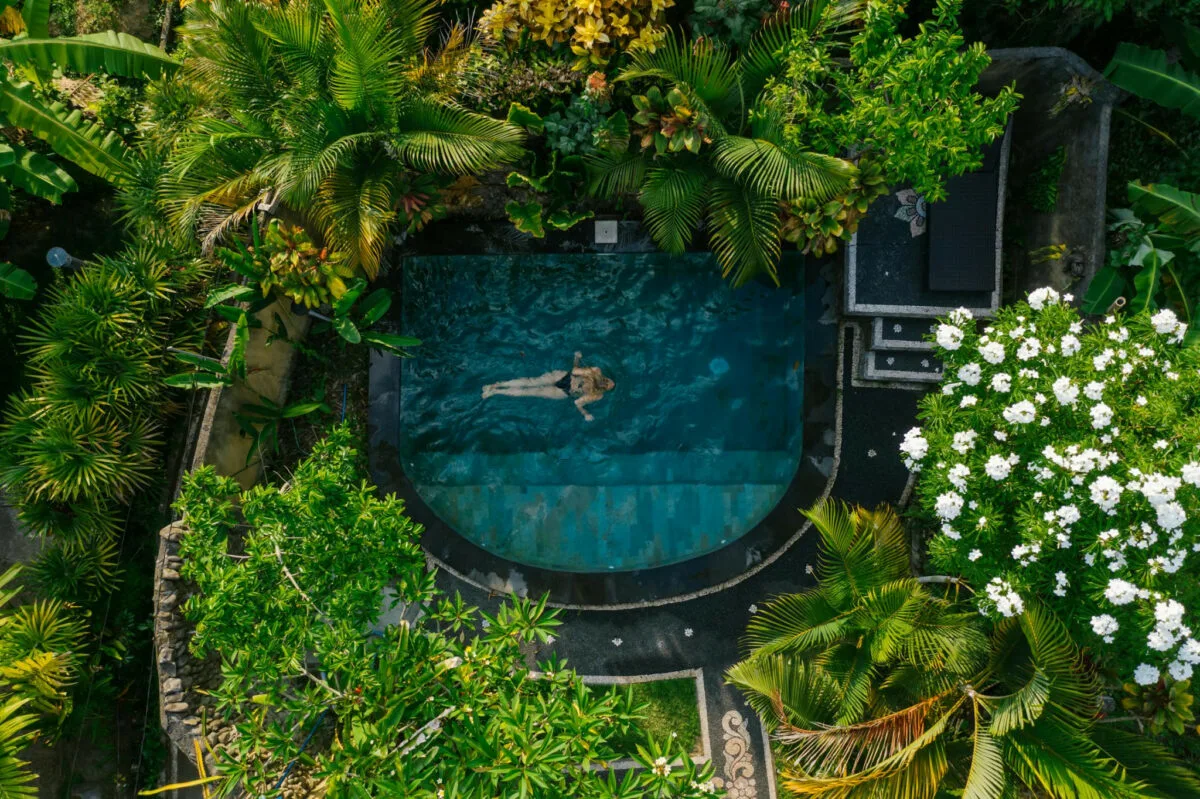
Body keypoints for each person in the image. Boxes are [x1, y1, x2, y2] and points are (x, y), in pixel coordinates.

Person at [482, 352, 615, 421]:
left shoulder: (596, 386)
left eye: (607, 384)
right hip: (565, 383)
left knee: (529, 387)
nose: (606, 382)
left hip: (564, 386)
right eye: (608, 380)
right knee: (530, 387)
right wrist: (576, 359)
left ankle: (495, 389)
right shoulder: (596, 381)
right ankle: (495, 388)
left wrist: (585, 413)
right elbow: (575, 374)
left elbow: (577, 401)